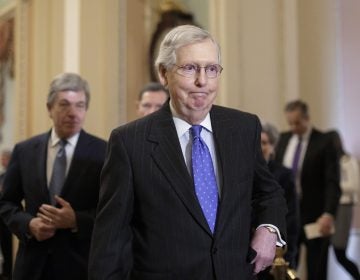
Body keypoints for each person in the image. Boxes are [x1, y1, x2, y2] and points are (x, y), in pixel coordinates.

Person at [89, 24, 287, 279]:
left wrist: (269, 229)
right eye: (190, 68)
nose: (202, 81)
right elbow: (109, 243)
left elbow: (269, 193)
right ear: (163, 74)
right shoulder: (128, 142)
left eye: (211, 69)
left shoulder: (243, 128)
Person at [0, 73, 107, 280]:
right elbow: (6, 203)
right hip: (31, 267)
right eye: (64, 105)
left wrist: (76, 220)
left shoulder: (105, 152)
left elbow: (112, 212)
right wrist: (28, 225)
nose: (73, 113)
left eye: (80, 105)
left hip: (80, 267)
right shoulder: (25, 150)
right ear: (49, 108)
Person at [275, 100, 341, 280]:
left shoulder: (324, 141)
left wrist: (328, 213)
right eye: (290, 123)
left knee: (316, 268)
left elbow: (332, 182)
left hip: (315, 216)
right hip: (289, 215)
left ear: (307, 118)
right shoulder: (283, 140)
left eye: (297, 122)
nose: (293, 127)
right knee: (288, 267)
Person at [257, 123, 299, 280]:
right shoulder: (243, 173)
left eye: (265, 142)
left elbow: (293, 217)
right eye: (258, 142)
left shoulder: (285, 175)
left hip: (278, 251)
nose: (261, 147)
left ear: (273, 146)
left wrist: (290, 256)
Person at [327, 130, 360, 280]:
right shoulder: (328, 162)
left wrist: (334, 186)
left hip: (343, 207)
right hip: (328, 209)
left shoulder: (348, 161)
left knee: (339, 252)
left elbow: (354, 185)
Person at [0, 149, 12, 280]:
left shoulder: (13, 174)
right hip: (1, 214)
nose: (2, 161)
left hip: (9, 216)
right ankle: (4, 271)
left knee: (9, 245)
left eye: (4, 158)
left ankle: (9, 272)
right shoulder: (2, 175)